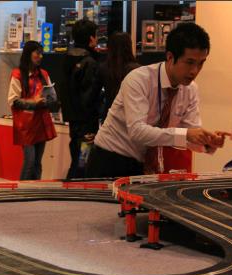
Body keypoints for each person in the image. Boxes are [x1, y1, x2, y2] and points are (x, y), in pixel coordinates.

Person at [85, 23, 224, 178]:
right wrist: (187, 134)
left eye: (201, 63)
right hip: (110, 158)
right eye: (189, 62)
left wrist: (207, 142)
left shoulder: (190, 89)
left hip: (143, 164)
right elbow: (137, 131)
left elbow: (188, 133)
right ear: (170, 57)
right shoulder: (139, 79)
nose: (195, 71)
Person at [7, 41, 57, 180]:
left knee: (37, 163)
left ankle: (36, 190)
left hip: (41, 122)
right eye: (37, 53)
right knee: (29, 162)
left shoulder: (44, 74)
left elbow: (52, 97)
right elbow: (13, 100)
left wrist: (50, 100)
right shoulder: (17, 74)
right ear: (28, 54)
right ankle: (22, 191)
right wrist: (33, 102)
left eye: (41, 53)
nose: (40, 56)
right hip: (25, 125)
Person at [61, 19, 103, 179]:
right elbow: (90, 96)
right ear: (91, 38)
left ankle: (72, 185)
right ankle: (76, 187)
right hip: (87, 123)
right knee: (84, 162)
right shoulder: (90, 62)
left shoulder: (67, 58)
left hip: (73, 120)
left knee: (76, 158)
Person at [98, 31, 140, 123]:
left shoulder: (103, 68)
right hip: (130, 115)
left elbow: (96, 94)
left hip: (109, 115)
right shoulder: (136, 69)